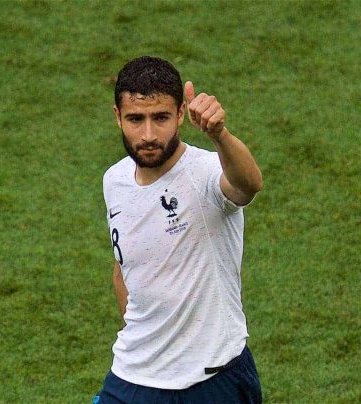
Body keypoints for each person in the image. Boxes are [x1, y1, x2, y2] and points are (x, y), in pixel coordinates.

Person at [94, 56, 263, 404]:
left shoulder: (204, 173)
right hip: (132, 377)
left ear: (181, 113)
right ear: (117, 117)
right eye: (135, 120)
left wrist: (221, 135)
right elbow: (124, 267)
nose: (149, 135)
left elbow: (249, 184)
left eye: (161, 118)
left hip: (212, 381)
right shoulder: (115, 180)